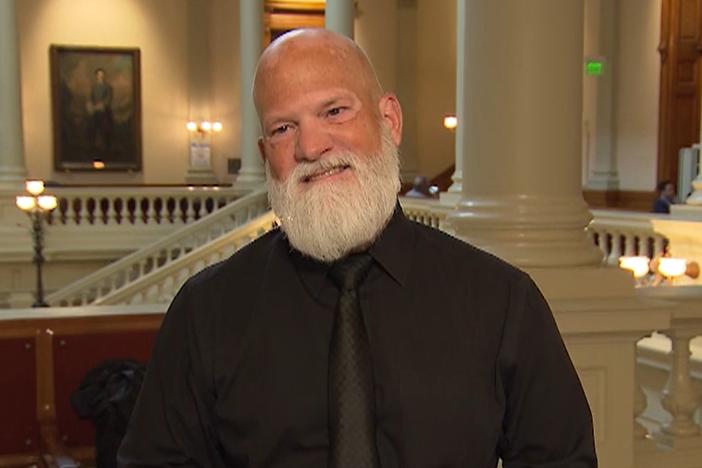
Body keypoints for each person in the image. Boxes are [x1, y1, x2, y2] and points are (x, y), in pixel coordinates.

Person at [118, 29, 596, 468]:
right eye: (284, 128)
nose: (311, 145)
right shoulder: (208, 312)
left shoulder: (502, 302)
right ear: (267, 157)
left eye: (334, 111)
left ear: (389, 120)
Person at [86, 68, 114, 152]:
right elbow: (90, 98)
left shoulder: (108, 87)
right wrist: (90, 105)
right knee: (92, 127)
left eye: (102, 75)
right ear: (96, 76)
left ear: (104, 76)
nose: (100, 76)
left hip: (105, 112)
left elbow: (108, 99)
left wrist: (100, 105)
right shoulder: (93, 87)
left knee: (105, 128)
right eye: (98, 75)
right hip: (94, 112)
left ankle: (105, 147)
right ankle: (93, 145)